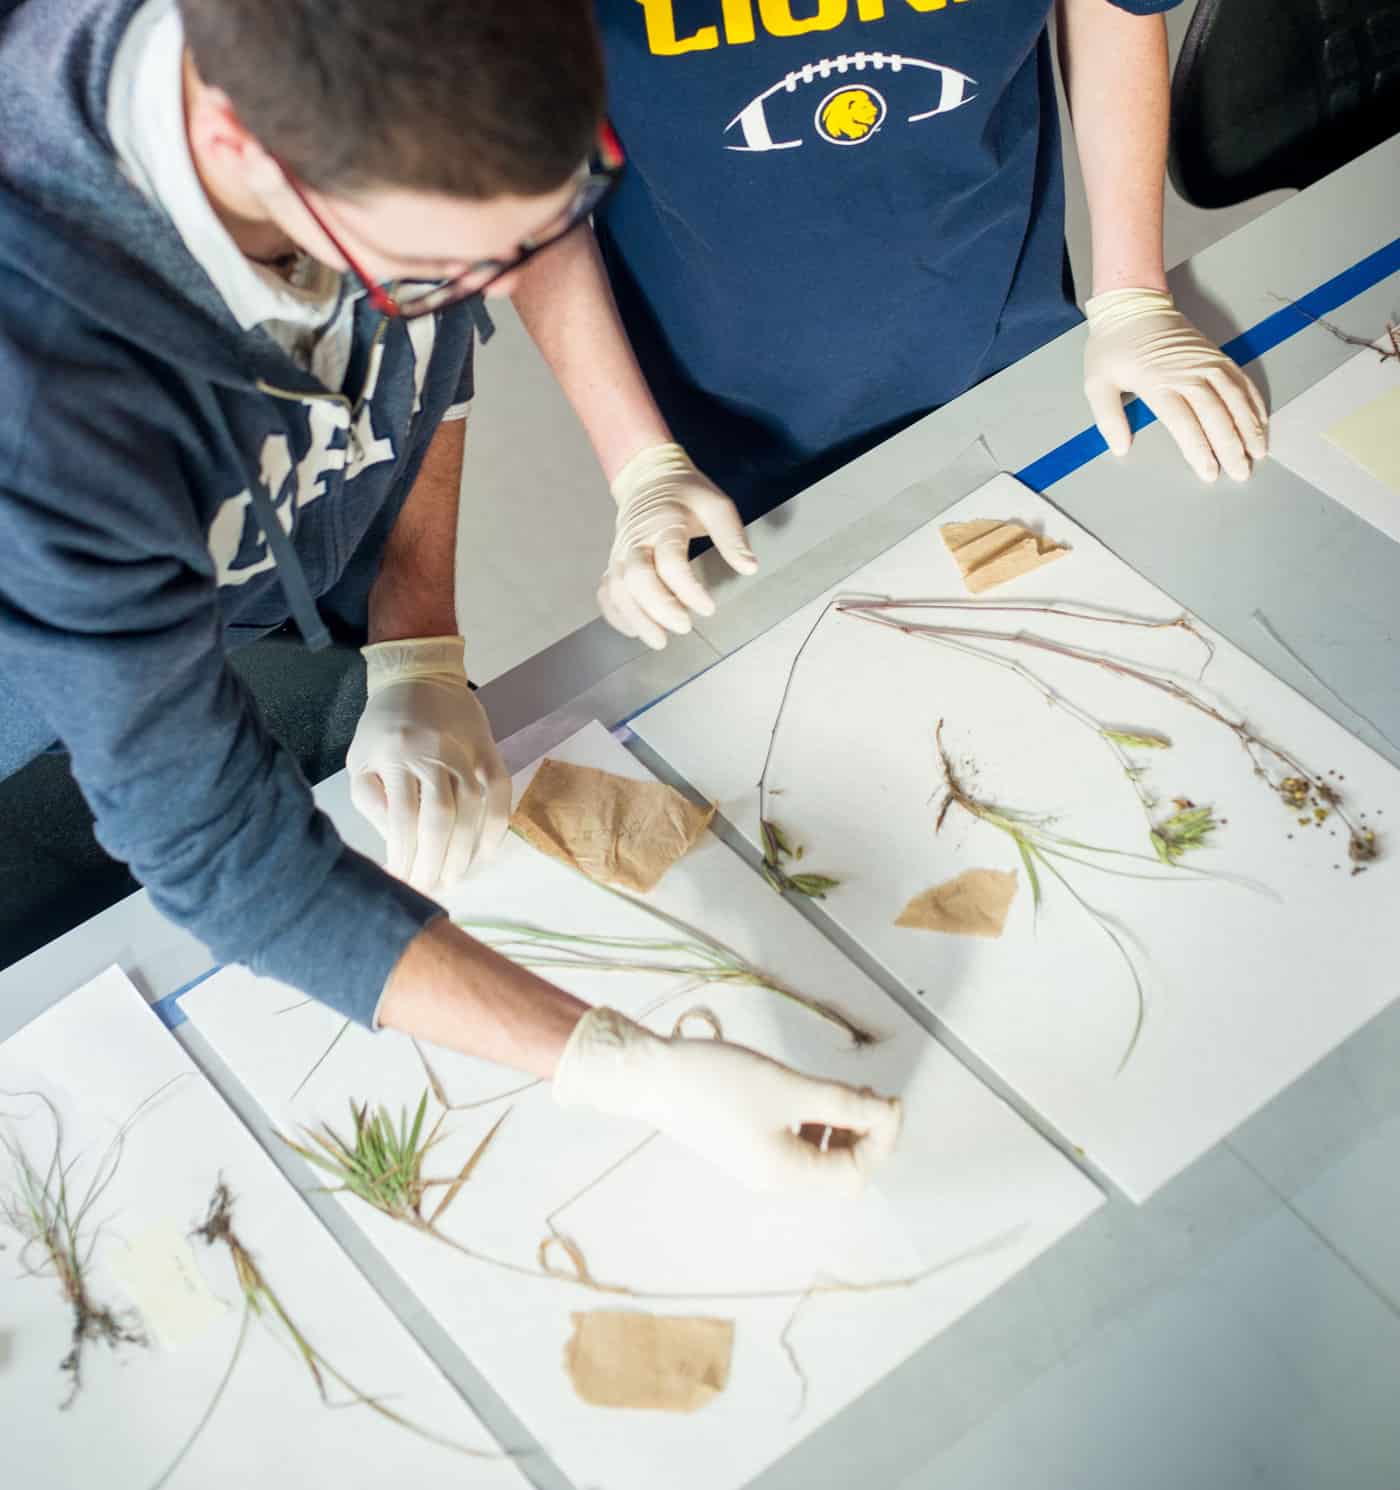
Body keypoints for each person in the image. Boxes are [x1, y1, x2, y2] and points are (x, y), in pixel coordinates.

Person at [0, 0, 900, 1192]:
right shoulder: (47, 395)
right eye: (434, 272)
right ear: (235, 147)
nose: (498, 287)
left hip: (250, 588)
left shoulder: (382, 128)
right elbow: (216, 851)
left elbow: (426, 347)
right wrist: (631, 1069)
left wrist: (416, 639)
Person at [510, 0, 1271, 652]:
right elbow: (511, 169)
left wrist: (1132, 296)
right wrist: (640, 462)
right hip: (726, 410)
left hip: (1001, 325)